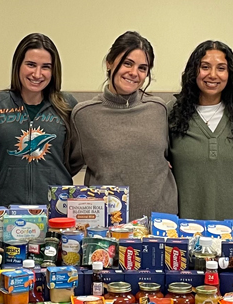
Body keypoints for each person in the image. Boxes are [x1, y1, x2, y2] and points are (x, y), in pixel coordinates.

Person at [69, 31, 177, 220]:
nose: (134, 73)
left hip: (160, 224)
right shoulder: (84, 115)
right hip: (108, 227)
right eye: (127, 63)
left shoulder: (159, 109)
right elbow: (64, 167)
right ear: (109, 62)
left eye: (142, 68)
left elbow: (174, 158)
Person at [167, 40, 233, 220]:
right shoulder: (172, 114)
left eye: (221, 68)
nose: (213, 75)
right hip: (186, 230)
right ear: (194, 71)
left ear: (230, 73)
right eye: (205, 67)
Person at [0, 33, 78, 206]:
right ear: (18, 65)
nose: (37, 74)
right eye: (31, 65)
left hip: (56, 209)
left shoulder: (67, 105)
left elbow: (75, 156)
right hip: (8, 209)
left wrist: (51, 172)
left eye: (46, 67)